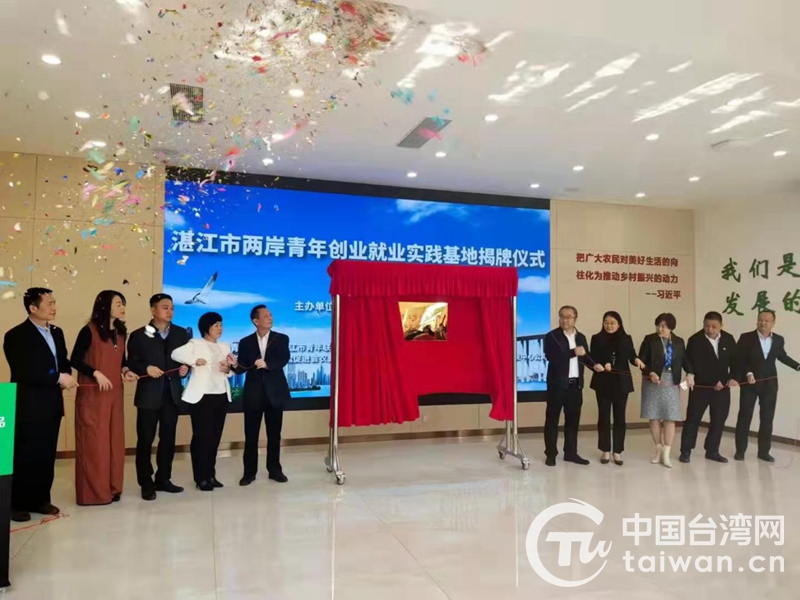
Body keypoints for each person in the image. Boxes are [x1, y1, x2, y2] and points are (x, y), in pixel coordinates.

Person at [3, 288, 77, 523]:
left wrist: (66, 375)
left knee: (46, 453)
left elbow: (63, 361)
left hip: (52, 403)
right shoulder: (16, 335)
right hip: (29, 403)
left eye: (54, 302)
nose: (54, 307)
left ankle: (41, 499)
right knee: (25, 454)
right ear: (33, 308)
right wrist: (57, 377)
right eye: (49, 303)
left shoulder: (57, 332)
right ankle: (16, 503)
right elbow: (24, 370)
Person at [71, 290, 136, 505]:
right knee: (95, 444)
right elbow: (75, 360)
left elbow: (122, 360)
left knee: (115, 442)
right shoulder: (88, 331)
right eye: (118, 304)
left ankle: (113, 487)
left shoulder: (121, 332)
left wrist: (126, 371)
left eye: (123, 304)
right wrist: (96, 372)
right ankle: (93, 493)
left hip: (115, 395)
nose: (122, 308)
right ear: (105, 306)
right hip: (93, 396)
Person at [127, 294, 190, 501]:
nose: (170, 311)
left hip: (172, 395)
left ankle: (164, 478)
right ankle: (146, 482)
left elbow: (186, 360)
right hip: (148, 395)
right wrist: (146, 368)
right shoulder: (139, 335)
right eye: (165, 307)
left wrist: (185, 369)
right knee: (146, 439)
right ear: (153, 310)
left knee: (168, 439)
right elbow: (131, 362)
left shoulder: (181, 333)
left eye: (172, 308)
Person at [230, 305, 291, 486]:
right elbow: (242, 367)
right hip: (253, 394)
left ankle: (275, 470)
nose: (270, 318)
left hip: (275, 393)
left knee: (274, 435)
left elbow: (283, 358)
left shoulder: (281, 338)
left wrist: (267, 364)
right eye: (265, 316)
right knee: (251, 436)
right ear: (256, 321)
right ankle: (249, 473)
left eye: (270, 315)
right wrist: (234, 364)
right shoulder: (245, 342)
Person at [171, 312, 232, 491]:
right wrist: (193, 361)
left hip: (221, 395)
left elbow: (230, 371)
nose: (220, 328)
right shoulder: (195, 343)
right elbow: (175, 354)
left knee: (215, 437)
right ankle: (200, 477)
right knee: (201, 437)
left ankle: (211, 474)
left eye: (221, 325)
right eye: (216, 325)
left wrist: (228, 368)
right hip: (202, 397)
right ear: (206, 327)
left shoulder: (225, 346)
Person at [733, 310, 800, 462]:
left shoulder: (778, 340)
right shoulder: (746, 338)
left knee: (767, 419)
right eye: (760, 319)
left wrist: (798, 366)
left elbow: (782, 356)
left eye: (766, 321)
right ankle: (740, 451)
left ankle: (764, 452)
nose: (763, 323)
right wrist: (748, 373)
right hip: (749, 384)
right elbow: (739, 359)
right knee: (744, 417)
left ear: (773, 323)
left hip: (769, 385)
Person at [680, 312, 738, 464]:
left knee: (719, 420)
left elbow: (736, 361)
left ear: (721, 326)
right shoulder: (695, 340)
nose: (710, 329)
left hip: (723, 388)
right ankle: (685, 451)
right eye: (707, 326)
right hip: (701, 387)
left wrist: (732, 377)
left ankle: (712, 450)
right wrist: (711, 381)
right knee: (693, 419)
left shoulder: (728, 339)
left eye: (714, 326)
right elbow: (692, 363)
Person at [589, 311, 645, 466]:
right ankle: (605, 449)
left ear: (619, 324)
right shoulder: (596, 338)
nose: (609, 325)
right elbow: (592, 358)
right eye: (606, 322)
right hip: (603, 382)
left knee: (620, 417)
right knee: (604, 416)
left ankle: (618, 451)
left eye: (612, 322)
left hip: (621, 383)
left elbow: (631, 355)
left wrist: (637, 360)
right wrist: (602, 363)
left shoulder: (626, 338)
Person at [639, 313, 689, 468]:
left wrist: (690, 374)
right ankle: (658, 449)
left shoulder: (679, 341)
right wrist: (650, 373)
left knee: (669, 416)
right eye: (658, 325)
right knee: (654, 416)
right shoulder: (649, 339)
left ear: (671, 328)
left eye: (664, 326)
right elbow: (641, 361)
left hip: (671, 381)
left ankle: (667, 453)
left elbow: (684, 361)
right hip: (653, 381)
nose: (660, 329)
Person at [543, 305, 591, 466]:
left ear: (575, 319)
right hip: (557, 385)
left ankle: (571, 453)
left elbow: (586, 357)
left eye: (569, 317)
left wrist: (595, 366)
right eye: (562, 316)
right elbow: (552, 357)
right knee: (552, 420)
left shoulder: (581, 337)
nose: (565, 320)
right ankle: (551, 454)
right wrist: (573, 352)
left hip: (575, 385)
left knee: (573, 421)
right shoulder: (552, 336)